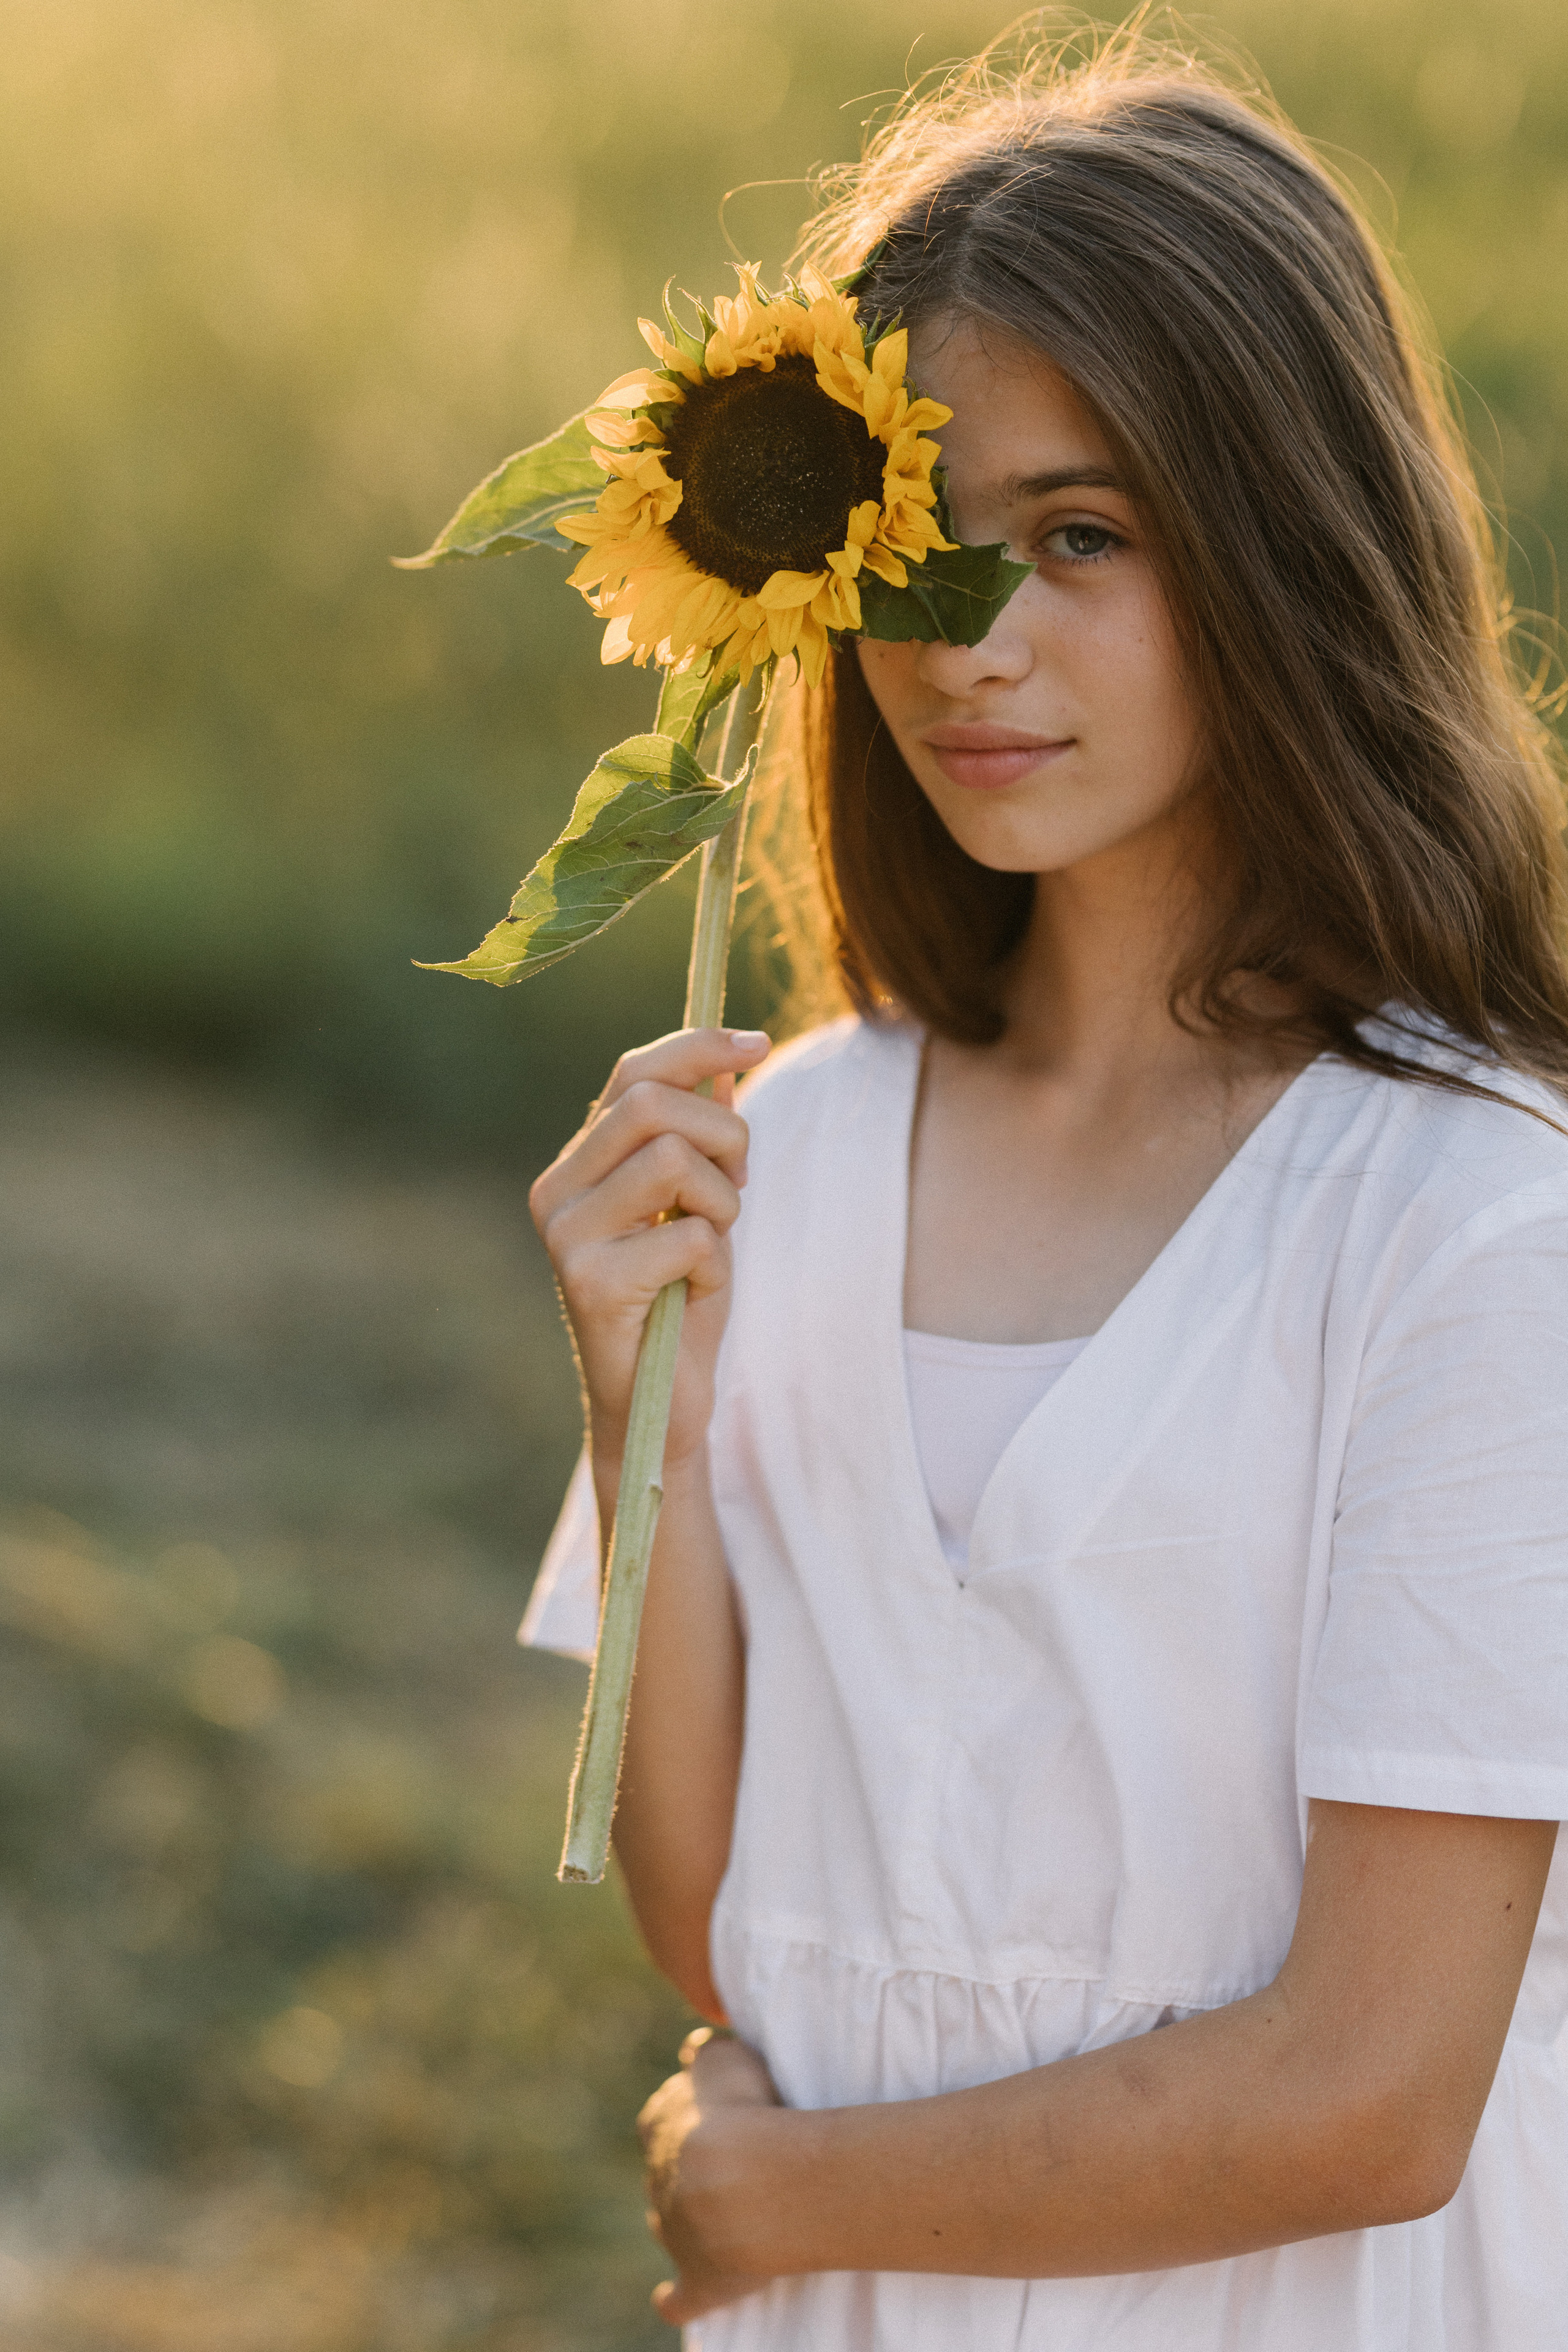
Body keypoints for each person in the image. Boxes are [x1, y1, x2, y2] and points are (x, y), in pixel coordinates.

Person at [519, 26, 1568, 2350]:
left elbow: (1375, 2095)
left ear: (1289, 547)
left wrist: (781, 2197)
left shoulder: (1480, 1229)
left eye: (1083, 539)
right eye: (915, 552)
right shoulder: (785, 1152)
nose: (968, 648)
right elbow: (742, 1931)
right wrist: (641, 1411)